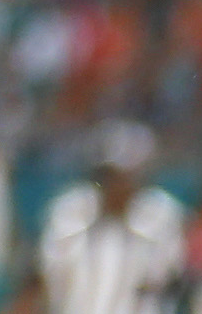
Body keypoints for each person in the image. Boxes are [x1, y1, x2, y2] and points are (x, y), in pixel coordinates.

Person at [36, 125, 188, 314]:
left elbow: (165, 278)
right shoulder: (71, 210)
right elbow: (48, 274)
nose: (117, 186)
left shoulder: (161, 215)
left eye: (125, 178)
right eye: (111, 176)